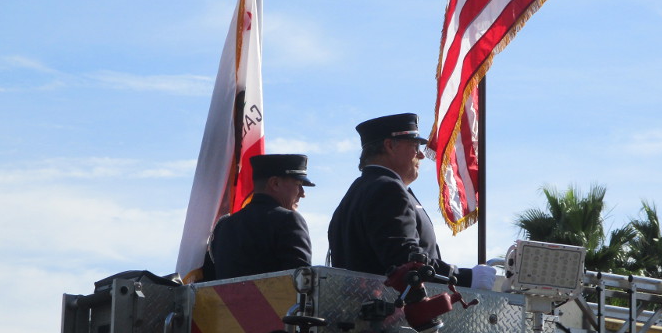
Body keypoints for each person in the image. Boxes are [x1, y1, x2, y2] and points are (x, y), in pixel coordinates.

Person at [327, 113, 496, 289]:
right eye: (415, 146)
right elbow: (405, 260)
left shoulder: (356, 193)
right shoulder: (388, 189)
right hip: (391, 304)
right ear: (390, 146)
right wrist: (464, 278)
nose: (421, 155)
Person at [204, 154, 314, 280]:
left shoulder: (223, 226)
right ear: (275, 183)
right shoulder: (289, 220)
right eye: (298, 184)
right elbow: (302, 282)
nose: (303, 193)